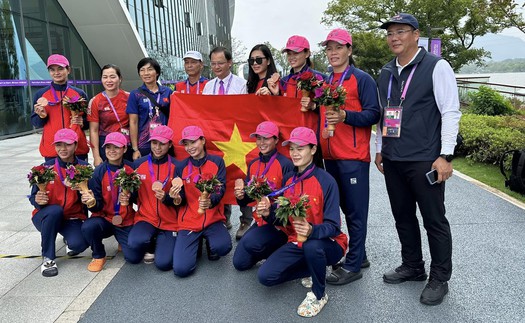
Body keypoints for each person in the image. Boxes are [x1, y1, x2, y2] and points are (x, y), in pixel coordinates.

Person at [375, 13, 461, 306]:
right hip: (393, 157)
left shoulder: (436, 66)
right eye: (390, 33)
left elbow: (450, 111)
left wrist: (445, 155)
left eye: (401, 32)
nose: (394, 38)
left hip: (425, 159)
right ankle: (412, 265)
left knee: (434, 220)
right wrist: (379, 147)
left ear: (416, 34)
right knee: (402, 216)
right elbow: (383, 113)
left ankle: (439, 277)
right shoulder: (386, 72)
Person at [256, 127, 348, 318]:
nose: (294, 153)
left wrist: (311, 229)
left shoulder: (327, 181)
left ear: (313, 150)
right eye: (291, 149)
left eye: (300, 148)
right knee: (266, 277)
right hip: (296, 242)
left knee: (313, 246)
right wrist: (267, 213)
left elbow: (333, 226)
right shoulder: (289, 179)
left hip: (328, 244)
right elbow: (280, 218)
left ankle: (319, 293)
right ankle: (314, 267)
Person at [314, 29, 380, 286]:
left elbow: (373, 114)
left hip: (352, 156)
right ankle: (358, 254)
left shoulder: (361, 79)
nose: (333, 53)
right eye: (329, 48)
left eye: (338, 48)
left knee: (356, 211)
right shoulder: (326, 81)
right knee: (342, 207)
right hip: (329, 155)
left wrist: (345, 116)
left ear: (349, 50)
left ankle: (353, 266)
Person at [170, 126, 232, 277]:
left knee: (223, 247)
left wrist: (210, 202)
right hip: (189, 222)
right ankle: (196, 243)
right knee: (181, 270)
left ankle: (211, 244)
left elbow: (220, 189)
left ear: (203, 140)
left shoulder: (217, 162)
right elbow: (182, 197)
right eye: (186, 144)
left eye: (193, 142)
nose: (190, 147)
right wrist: (176, 198)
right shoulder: (181, 166)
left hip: (213, 219)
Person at [232, 121, 294, 270]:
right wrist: (240, 196)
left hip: (280, 224)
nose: (261, 142)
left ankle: (281, 248)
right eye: (258, 138)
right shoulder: (253, 164)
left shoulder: (286, 164)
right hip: (260, 220)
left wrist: (270, 211)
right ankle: (270, 249)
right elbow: (248, 197)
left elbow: (290, 200)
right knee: (240, 263)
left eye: (266, 138)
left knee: (251, 243)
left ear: (276, 140)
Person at [29, 128, 90, 277]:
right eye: (58, 145)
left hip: (71, 218)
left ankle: (69, 238)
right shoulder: (44, 168)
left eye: (67, 144)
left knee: (80, 244)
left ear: (76, 146)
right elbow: (33, 197)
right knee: (55, 211)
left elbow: (89, 199)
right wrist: (37, 200)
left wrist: (86, 196)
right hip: (46, 216)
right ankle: (48, 258)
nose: (63, 149)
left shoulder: (85, 168)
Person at [80, 132, 142, 272]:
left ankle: (122, 240)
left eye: (116, 147)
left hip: (126, 220)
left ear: (125, 149)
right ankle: (98, 255)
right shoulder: (98, 172)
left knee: (134, 258)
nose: (112, 151)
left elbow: (139, 198)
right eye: (108, 147)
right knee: (89, 227)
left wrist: (130, 197)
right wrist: (91, 202)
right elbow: (97, 208)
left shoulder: (131, 169)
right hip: (105, 219)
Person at [202, 46, 247, 231]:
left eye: (220, 63)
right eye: (213, 63)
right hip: (215, 138)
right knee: (220, 175)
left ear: (230, 63)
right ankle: (224, 217)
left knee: (241, 175)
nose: (217, 67)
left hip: (236, 137)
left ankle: (245, 220)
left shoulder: (241, 84)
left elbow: (246, 112)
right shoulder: (208, 86)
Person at [127, 125, 180, 271]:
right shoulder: (138, 165)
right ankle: (150, 242)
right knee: (133, 251)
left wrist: (167, 198)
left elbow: (181, 200)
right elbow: (134, 195)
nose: (157, 147)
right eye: (154, 143)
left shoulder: (178, 166)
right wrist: (128, 194)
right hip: (146, 218)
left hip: (170, 222)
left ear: (169, 144)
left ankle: (159, 241)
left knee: (164, 264)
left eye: (162, 144)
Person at [31, 54, 89, 161]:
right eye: (52, 70)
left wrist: (83, 122)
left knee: (80, 177)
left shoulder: (79, 94)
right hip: (52, 149)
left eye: (60, 69)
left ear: (68, 70)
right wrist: (41, 116)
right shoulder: (41, 94)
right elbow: (36, 123)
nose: (56, 73)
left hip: (77, 149)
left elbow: (88, 121)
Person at [126, 57, 173, 161]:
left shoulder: (167, 92)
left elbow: (173, 117)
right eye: (142, 70)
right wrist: (135, 149)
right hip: (144, 143)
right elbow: (133, 122)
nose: (146, 73)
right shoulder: (135, 94)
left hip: (164, 142)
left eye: (150, 69)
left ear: (157, 72)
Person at [88, 64, 131, 166]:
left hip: (127, 142)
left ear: (120, 79)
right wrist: (96, 156)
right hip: (107, 145)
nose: (109, 80)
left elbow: (135, 123)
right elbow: (93, 131)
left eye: (112, 77)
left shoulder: (129, 97)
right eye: (105, 77)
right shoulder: (95, 101)